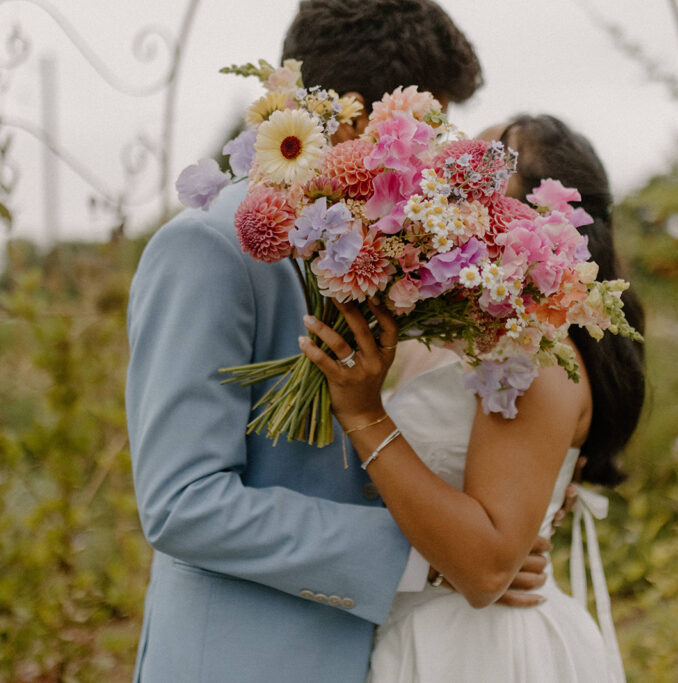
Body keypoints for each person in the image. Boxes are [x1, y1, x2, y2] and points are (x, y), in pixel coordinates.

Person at [125, 3, 553, 681]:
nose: (437, 158)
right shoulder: (207, 247)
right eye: (432, 130)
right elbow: (183, 503)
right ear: (365, 120)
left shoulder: (375, 248)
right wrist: (422, 554)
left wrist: (470, 533)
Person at [298, 113, 646, 681]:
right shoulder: (446, 336)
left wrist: (363, 413)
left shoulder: (535, 358)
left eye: (478, 169)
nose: (445, 173)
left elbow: (485, 570)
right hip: (415, 630)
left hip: (480, 651)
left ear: (523, 216)